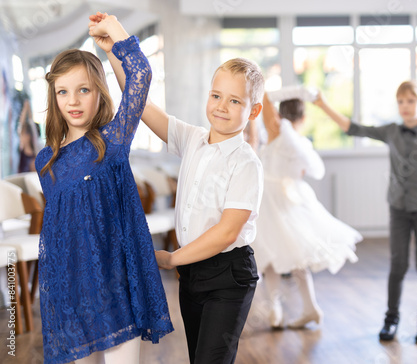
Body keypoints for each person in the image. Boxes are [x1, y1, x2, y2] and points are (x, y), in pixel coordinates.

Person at [91, 12, 265, 364]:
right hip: (193, 272)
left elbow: (226, 231)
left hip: (228, 274)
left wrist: (171, 258)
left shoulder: (246, 163)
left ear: (254, 110)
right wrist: (114, 53)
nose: (222, 107)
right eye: (217, 95)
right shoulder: (192, 139)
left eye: (235, 101)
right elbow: (142, 103)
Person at [36, 15, 174, 364]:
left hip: (117, 287)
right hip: (72, 295)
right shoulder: (45, 162)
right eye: (63, 91)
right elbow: (57, 234)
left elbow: (140, 77)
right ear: (54, 97)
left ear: (100, 93)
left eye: (84, 89)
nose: (74, 100)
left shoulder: (111, 142)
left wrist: (115, 31)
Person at [316, 81, 417, 344]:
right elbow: (354, 128)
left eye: (411, 101)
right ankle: (391, 320)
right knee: (397, 266)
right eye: (401, 102)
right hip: (398, 209)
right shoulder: (391, 132)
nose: (405, 107)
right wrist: (323, 105)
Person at [252, 86, 361, 329]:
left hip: (275, 199)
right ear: (304, 118)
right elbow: (316, 170)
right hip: (284, 199)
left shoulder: (279, 130)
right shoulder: (294, 137)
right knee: (292, 255)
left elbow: (266, 96)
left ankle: (278, 310)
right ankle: (306, 308)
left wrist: (301, 91)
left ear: (280, 114)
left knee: (272, 255)